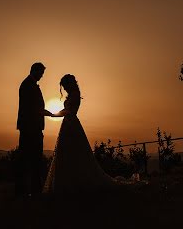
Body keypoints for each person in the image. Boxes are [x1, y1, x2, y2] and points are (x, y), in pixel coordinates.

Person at [43, 74, 122, 194]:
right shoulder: (72, 94)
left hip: (72, 125)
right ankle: (66, 183)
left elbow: (69, 111)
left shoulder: (75, 95)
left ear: (70, 84)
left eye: (65, 86)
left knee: (75, 153)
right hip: (67, 125)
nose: (64, 89)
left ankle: (75, 183)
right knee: (65, 153)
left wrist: (52, 114)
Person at [15, 62, 56, 197]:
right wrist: (48, 113)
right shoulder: (28, 85)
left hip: (31, 127)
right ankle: (31, 190)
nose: (41, 76)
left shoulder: (28, 84)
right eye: (41, 73)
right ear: (34, 71)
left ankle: (30, 189)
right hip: (30, 127)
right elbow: (32, 108)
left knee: (30, 159)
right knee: (32, 158)